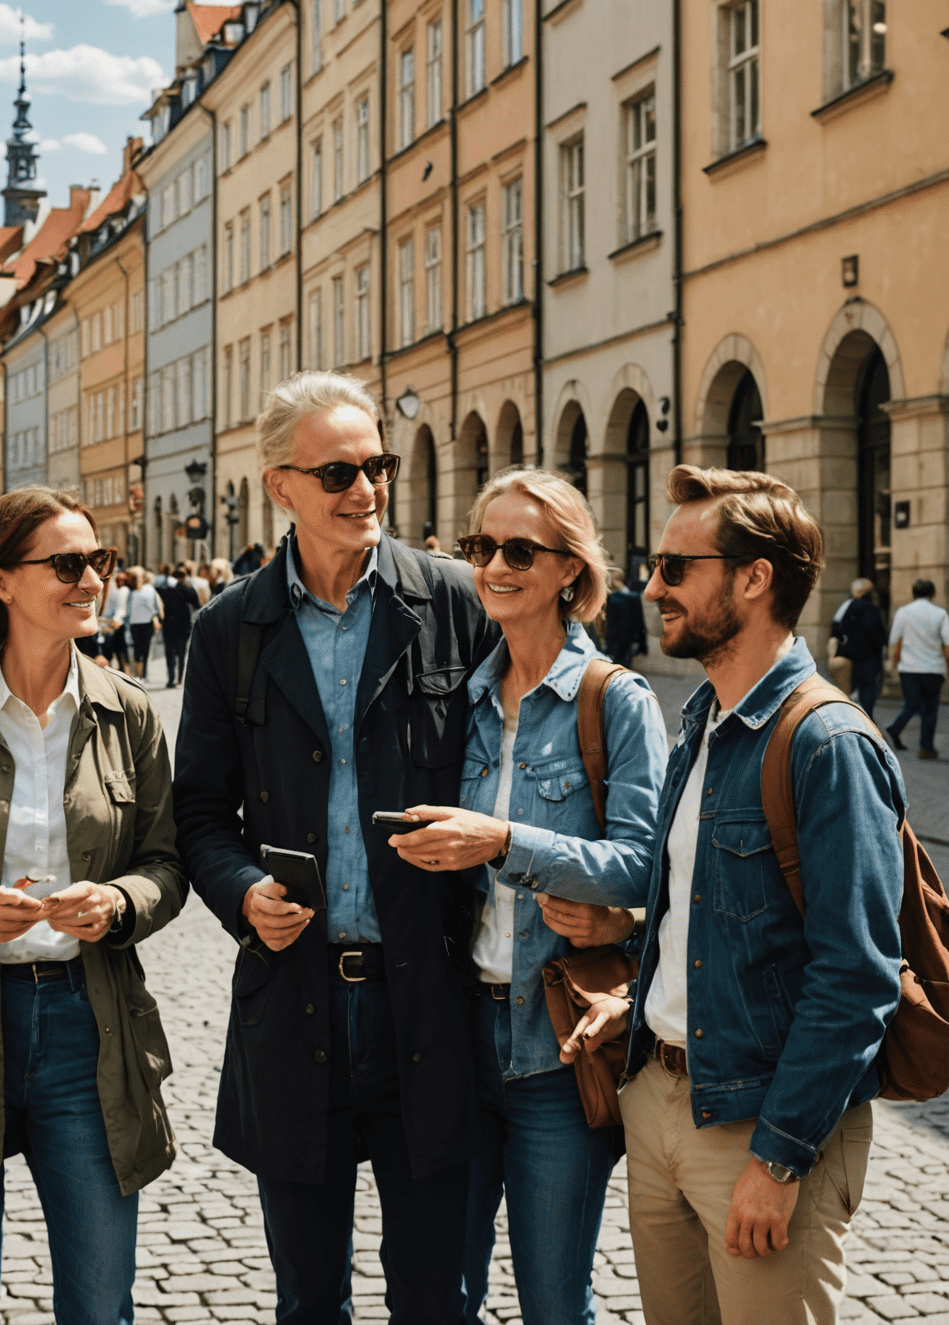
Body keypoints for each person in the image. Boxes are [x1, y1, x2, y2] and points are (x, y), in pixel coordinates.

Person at [173, 371, 498, 1325]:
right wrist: (241, 894)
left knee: (437, 1297)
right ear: (280, 485)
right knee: (309, 1297)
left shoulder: (451, 600)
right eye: (338, 473)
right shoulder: (231, 628)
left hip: (428, 997)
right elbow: (198, 812)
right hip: (296, 995)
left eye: (377, 467)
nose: (365, 490)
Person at [566, 465, 905, 1325]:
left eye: (677, 568)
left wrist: (781, 1159)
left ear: (754, 580)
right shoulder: (703, 719)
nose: (652, 587)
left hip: (757, 1127)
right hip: (662, 1103)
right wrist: (641, 1004)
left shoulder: (828, 743)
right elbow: (696, 906)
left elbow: (857, 976)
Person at [0, 487, 187, 1325]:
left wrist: (120, 900)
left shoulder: (128, 713)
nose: (89, 579)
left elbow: (167, 862)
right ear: (1, 581)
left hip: (89, 1029)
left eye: (99, 561)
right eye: (65, 564)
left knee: (98, 1304)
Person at [385, 470, 666, 1325]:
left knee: (552, 1300)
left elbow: (646, 864)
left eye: (518, 550)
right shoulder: (462, 702)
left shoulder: (615, 700)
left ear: (569, 572)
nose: (493, 567)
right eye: (480, 548)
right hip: (458, 1039)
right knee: (442, 1293)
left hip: (558, 1048)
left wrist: (508, 843)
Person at [886, 578, 949, 759]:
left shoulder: (903, 612)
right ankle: (926, 747)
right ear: (933, 594)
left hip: (909, 668)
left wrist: (894, 662)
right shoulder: (940, 613)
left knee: (911, 704)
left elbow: (894, 639)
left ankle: (895, 728)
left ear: (913, 593)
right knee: (931, 709)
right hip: (933, 668)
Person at [830, 577, 888, 721]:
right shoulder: (871, 609)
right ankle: (866, 719)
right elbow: (876, 633)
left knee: (850, 690)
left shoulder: (846, 607)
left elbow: (835, 630)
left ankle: (852, 719)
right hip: (869, 657)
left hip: (849, 655)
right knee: (867, 690)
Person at [159, 563, 200, 688]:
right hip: (182, 625)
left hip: (171, 625)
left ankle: (172, 678)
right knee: (181, 653)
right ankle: (179, 678)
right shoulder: (187, 589)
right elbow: (196, 602)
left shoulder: (165, 589)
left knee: (171, 652)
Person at [604, 567, 648, 669]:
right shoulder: (632, 597)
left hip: (614, 641)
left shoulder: (611, 598)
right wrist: (642, 643)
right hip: (627, 641)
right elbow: (639, 622)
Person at [125, 566, 161, 682]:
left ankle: (143, 675)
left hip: (145, 623)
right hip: (134, 623)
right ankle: (138, 675)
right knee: (136, 650)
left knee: (144, 650)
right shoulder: (129, 590)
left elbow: (153, 607)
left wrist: (155, 619)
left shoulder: (148, 589)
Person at [99, 569, 132, 673]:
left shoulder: (122, 590)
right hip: (105, 623)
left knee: (119, 652)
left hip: (115, 624)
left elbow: (121, 609)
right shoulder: (111, 588)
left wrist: (115, 621)